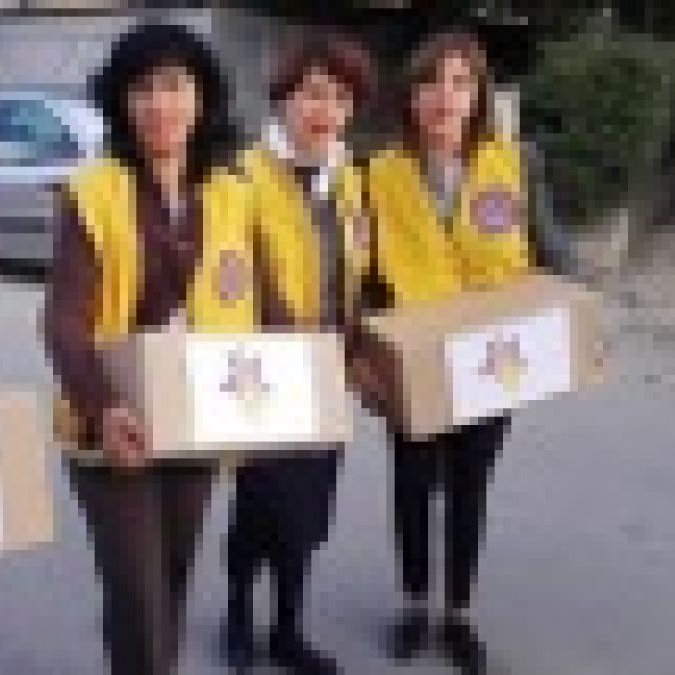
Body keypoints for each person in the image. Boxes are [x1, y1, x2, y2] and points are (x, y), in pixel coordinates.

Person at [360, 30, 574, 674]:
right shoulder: (377, 173)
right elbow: (362, 275)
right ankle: (414, 604)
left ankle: (459, 613)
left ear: (479, 94)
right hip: (414, 360)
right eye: (430, 82)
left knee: (468, 486)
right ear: (410, 96)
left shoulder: (516, 161)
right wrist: (365, 351)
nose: (444, 96)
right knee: (411, 484)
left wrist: (560, 316)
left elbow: (554, 255)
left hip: (491, 358)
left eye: (460, 82)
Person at [42, 23, 253, 675]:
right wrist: (102, 407)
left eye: (173, 85)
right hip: (111, 425)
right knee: (137, 592)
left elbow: (263, 303)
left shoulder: (232, 194)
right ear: (121, 102)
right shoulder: (93, 192)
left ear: (201, 98)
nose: (158, 104)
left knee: (170, 580)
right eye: (141, 89)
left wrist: (299, 383)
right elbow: (63, 322)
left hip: (197, 419)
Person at [222, 34, 376, 674]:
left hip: (326, 374)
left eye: (340, 98)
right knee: (260, 504)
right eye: (313, 94)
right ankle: (238, 612)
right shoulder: (243, 177)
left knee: (309, 510)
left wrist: (359, 348)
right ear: (284, 98)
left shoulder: (350, 182)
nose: (325, 110)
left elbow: (358, 276)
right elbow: (226, 276)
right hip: (261, 375)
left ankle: (288, 629)